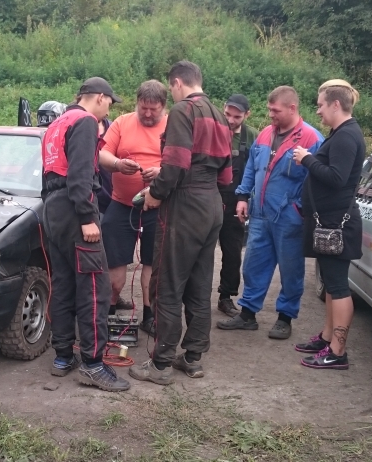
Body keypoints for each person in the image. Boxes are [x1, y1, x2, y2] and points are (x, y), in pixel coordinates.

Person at [128, 61, 232, 384]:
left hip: (185, 206)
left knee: (167, 284)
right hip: (212, 203)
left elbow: (175, 164)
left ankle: (160, 364)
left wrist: (155, 194)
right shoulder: (219, 115)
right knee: (200, 284)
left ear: (176, 83)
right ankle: (193, 357)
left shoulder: (183, 111)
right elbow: (226, 174)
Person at [41, 77, 130, 392]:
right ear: (100, 98)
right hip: (75, 210)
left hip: (52, 210)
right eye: (110, 104)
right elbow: (80, 175)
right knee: (95, 287)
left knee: (63, 284)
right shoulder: (86, 122)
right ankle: (93, 364)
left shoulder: (56, 124)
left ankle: (63, 356)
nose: (109, 111)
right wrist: (88, 217)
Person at [216, 86, 323, 339]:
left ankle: (285, 318)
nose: (271, 114)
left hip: (290, 217)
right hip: (261, 214)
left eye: (275, 110)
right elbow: (251, 168)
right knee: (253, 265)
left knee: (291, 269)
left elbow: (317, 179)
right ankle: (248, 315)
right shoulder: (265, 134)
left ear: (292, 108)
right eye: (269, 109)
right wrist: (243, 196)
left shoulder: (312, 139)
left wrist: (300, 210)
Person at [292, 80, 365, 369]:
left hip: (337, 225)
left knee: (338, 286)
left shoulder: (346, 136)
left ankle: (337, 351)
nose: (318, 110)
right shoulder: (341, 134)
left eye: (321, 105)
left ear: (336, 104)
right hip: (329, 222)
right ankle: (327, 338)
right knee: (331, 286)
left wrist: (307, 159)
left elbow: (336, 178)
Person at [97, 80, 168, 327]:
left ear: (163, 106)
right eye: (143, 108)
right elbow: (102, 153)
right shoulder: (122, 122)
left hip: (157, 206)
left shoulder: (174, 125)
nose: (147, 114)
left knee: (152, 263)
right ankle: (109, 311)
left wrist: (161, 172)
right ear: (137, 102)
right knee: (114, 265)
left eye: (153, 110)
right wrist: (118, 164)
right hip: (121, 204)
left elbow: (183, 162)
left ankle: (149, 315)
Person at [216, 94, 258, 317]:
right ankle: (194, 295)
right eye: (228, 115)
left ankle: (226, 296)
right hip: (210, 197)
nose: (231, 120)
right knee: (199, 251)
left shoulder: (252, 137)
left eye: (237, 117)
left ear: (247, 115)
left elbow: (256, 170)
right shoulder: (213, 129)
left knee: (232, 252)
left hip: (236, 201)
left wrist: (247, 198)